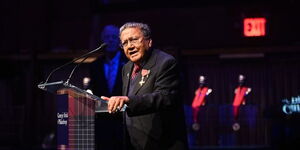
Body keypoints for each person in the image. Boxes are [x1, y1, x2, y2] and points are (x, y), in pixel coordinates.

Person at [101, 22, 188, 150]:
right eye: (125, 43)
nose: (129, 46)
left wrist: (128, 101)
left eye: (134, 40)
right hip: (135, 143)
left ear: (149, 41)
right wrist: (107, 106)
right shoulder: (127, 67)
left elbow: (164, 98)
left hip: (162, 144)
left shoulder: (166, 63)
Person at [87, 25, 127, 150]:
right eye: (107, 37)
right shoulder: (95, 65)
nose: (110, 40)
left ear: (120, 41)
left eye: (114, 37)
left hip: (124, 121)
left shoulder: (129, 62)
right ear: (102, 40)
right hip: (102, 121)